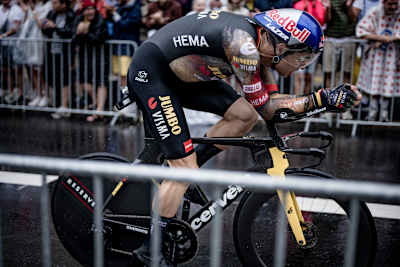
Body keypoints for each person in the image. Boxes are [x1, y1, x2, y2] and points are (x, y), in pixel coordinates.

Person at [127, 8, 361, 267]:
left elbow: (268, 106)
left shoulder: (263, 45)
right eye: (302, 56)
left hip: (184, 75)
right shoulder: (244, 48)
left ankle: (191, 174)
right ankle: (149, 254)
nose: (304, 64)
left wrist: (322, 100)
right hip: (154, 74)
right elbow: (270, 111)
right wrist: (322, 100)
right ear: (282, 46)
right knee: (183, 168)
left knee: (243, 116)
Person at [355, 0, 399, 121]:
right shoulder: (375, 11)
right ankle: (372, 112)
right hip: (375, 56)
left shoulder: (399, 12)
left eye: (395, 4)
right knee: (373, 83)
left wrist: (390, 39)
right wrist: (382, 38)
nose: (393, 7)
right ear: (384, 2)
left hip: (393, 55)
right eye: (390, 4)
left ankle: (384, 113)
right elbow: (361, 31)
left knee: (388, 83)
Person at [72, 0, 109, 122]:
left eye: (91, 9)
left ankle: (99, 109)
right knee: (86, 83)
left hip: (100, 56)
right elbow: (74, 40)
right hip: (85, 56)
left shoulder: (100, 20)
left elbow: (98, 39)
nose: (89, 12)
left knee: (100, 82)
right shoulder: (78, 20)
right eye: (87, 9)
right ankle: (95, 104)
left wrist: (86, 32)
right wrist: (78, 33)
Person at [322, 0, 357, 120]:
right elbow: (326, 20)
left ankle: (345, 109)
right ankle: (328, 108)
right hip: (331, 38)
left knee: (347, 75)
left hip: (348, 38)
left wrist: (349, 5)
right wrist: (328, 8)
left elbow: (354, 19)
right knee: (329, 75)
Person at [41, 0, 75, 119]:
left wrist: (55, 27)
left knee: (64, 79)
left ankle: (65, 106)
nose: (53, 5)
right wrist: (45, 26)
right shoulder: (51, 13)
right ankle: (57, 105)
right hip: (52, 51)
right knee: (53, 77)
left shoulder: (71, 15)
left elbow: (71, 32)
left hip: (65, 52)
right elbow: (44, 30)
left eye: (56, 3)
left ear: (63, 4)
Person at [0, 0, 24, 104]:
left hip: (14, 44)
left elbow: (16, 28)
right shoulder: (0, 8)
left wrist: (3, 36)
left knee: (16, 69)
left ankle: (19, 92)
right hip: (3, 45)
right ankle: (8, 90)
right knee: (4, 68)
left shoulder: (16, 9)